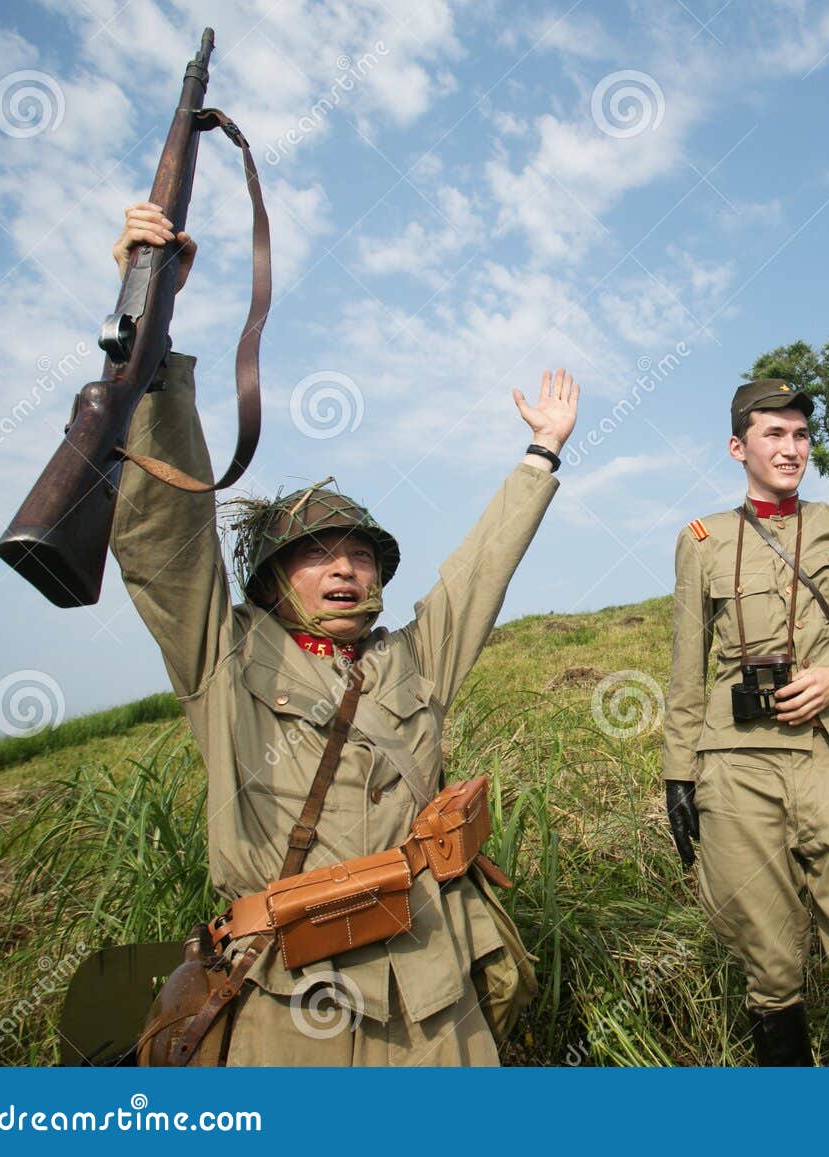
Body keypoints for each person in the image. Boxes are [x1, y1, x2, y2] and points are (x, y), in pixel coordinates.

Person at [107, 201, 578, 1065]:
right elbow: (165, 541)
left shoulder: (412, 659)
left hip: (434, 992)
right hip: (289, 998)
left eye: (361, 554)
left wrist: (539, 457)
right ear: (275, 576)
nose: (344, 569)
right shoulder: (226, 653)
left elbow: (477, 574)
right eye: (316, 554)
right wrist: (156, 342)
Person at [662, 381, 829, 1065]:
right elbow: (687, 670)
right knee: (769, 961)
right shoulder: (702, 540)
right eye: (773, 433)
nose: (790, 447)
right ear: (737, 446)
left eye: (800, 434)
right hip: (738, 763)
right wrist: (677, 776)